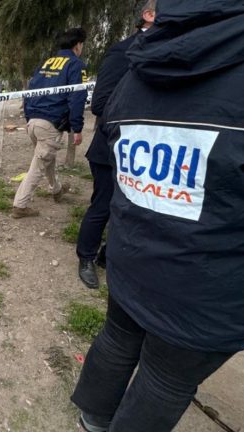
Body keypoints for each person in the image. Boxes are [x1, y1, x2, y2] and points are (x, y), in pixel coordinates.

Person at [71, 1, 244, 431]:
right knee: (166, 374)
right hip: (218, 281)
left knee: (119, 336)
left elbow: (112, 126)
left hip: (135, 251)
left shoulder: (143, 58)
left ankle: (92, 416)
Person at [77, 0, 157, 289]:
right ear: (148, 15)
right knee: (104, 206)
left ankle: (106, 256)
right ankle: (85, 258)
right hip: (111, 149)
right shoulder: (123, 52)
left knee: (134, 209)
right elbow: (99, 103)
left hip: (147, 152)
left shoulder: (170, 53)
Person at [11, 28, 87, 219]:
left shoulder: (45, 63)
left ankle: (57, 190)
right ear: (77, 45)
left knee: (47, 160)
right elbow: (78, 98)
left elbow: (30, 92)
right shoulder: (76, 65)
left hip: (33, 122)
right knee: (38, 166)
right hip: (50, 123)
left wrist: (29, 118)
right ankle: (20, 205)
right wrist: (77, 128)